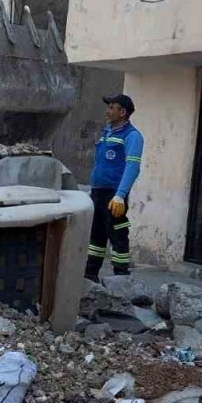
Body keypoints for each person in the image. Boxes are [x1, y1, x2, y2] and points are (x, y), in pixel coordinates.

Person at [85, 94, 144, 282]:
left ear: (123, 112)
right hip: (98, 192)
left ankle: (121, 276)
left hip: (113, 194)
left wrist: (120, 195)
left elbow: (132, 167)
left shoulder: (132, 136)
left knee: (117, 234)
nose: (108, 111)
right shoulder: (107, 132)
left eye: (112, 107)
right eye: (108, 107)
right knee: (96, 235)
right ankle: (90, 274)